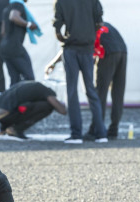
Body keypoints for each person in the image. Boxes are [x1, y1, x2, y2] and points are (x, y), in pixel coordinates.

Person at [46, 22, 127, 141]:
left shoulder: (84, 26)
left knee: (99, 93)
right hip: (123, 51)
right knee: (118, 92)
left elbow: (69, 47)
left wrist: (53, 63)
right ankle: (113, 130)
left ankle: (95, 130)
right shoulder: (104, 24)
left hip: (107, 52)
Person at [52, 0, 108, 144]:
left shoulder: (60, 2)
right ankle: (101, 134)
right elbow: (100, 23)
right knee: (91, 90)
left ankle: (76, 135)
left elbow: (57, 28)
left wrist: (64, 38)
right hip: (88, 48)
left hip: (71, 48)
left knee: (72, 91)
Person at [0, 81, 67, 140]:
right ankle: (15, 129)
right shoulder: (45, 91)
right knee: (47, 106)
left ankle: (3, 130)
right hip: (6, 113)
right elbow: (62, 111)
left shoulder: (28, 84)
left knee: (20, 106)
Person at [0, 0, 40, 87]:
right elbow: (14, 17)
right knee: (29, 78)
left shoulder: (7, 8)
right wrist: (29, 25)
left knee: (14, 79)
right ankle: (26, 99)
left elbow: (3, 31)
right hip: (15, 47)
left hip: (4, 46)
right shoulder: (18, 5)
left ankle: (13, 99)